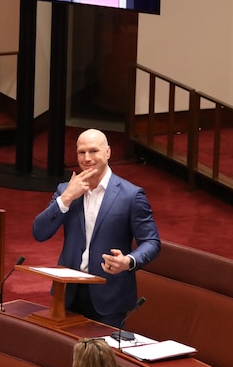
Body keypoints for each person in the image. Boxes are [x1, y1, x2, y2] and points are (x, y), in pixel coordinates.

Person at [32, 128, 160, 327]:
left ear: (108, 152)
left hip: (109, 296)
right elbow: (39, 233)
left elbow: (152, 242)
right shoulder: (66, 190)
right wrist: (66, 199)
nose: (87, 158)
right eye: (81, 152)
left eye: (94, 151)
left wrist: (128, 261)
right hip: (68, 294)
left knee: (103, 357)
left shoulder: (131, 195)